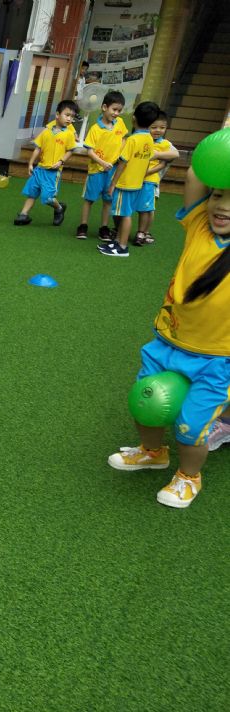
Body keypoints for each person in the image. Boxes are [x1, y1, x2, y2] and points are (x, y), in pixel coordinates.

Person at [106, 164, 230, 507]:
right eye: (218, 196)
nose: (222, 206)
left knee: (192, 427)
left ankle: (189, 477)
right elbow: (195, 175)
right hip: (167, 343)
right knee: (144, 403)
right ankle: (152, 452)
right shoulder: (199, 225)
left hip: (218, 359)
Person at [98, 101, 178, 257]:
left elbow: (123, 163)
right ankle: (118, 242)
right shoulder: (149, 139)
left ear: (134, 118)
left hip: (125, 183)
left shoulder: (133, 139)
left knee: (125, 215)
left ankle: (122, 247)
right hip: (136, 183)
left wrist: (113, 183)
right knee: (125, 213)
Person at [14, 100, 79, 227]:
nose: (69, 119)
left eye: (72, 116)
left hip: (53, 172)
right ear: (57, 114)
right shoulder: (46, 131)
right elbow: (38, 148)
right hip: (40, 169)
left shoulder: (69, 134)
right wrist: (30, 164)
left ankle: (59, 208)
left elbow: (70, 150)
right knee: (32, 192)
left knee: (48, 198)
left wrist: (61, 161)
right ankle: (23, 214)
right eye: (67, 115)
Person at [75, 91, 127, 240]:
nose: (116, 113)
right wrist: (102, 163)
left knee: (108, 200)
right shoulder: (95, 129)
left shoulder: (120, 123)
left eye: (119, 110)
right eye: (114, 109)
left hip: (112, 171)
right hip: (96, 171)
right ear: (104, 107)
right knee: (89, 199)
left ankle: (104, 228)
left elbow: (124, 139)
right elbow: (89, 151)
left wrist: (120, 155)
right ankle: (83, 225)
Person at [133, 110, 174, 246]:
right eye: (154, 127)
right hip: (134, 179)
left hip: (150, 180)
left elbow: (163, 164)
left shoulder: (165, 145)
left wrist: (146, 172)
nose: (158, 130)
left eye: (162, 127)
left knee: (148, 209)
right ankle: (121, 229)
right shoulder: (142, 139)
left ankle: (143, 232)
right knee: (131, 206)